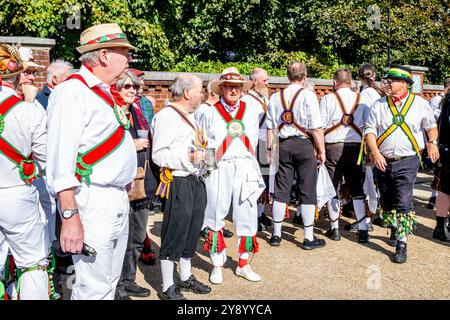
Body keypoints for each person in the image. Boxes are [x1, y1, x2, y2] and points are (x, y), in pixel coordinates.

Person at [46, 23, 137, 299]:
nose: (129, 60)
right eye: (125, 53)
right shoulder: (72, 92)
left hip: (115, 198)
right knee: (91, 288)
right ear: (105, 56)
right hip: (92, 200)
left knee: (108, 282)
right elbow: (60, 162)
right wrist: (71, 218)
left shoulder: (103, 92)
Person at [365, 64, 439, 263]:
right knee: (387, 200)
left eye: (392, 80)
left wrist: (432, 143)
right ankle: (394, 227)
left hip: (408, 160)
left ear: (405, 84)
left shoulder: (420, 104)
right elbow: (369, 131)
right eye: (387, 79)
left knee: (403, 200)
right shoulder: (379, 104)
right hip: (383, 160)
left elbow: (431, 127)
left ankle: (402, 242)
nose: (387, 83)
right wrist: (375, 153)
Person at [198, 67, 265, 285]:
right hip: (219, 167)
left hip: (245, 166)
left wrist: (259, 167)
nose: (233, 90)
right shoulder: (208, 111)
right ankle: (217, 264)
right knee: (215, 212)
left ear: (241, 89)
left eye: (237, 87)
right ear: (221, 89)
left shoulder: (252, 109)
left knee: (247, 213)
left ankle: (244, 264)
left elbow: (257, 141)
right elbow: (204, 142)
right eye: (229, 87)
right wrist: (207, 171)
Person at [152, 74, 211, 300]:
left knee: (192, 231)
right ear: (187, 92)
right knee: (175, 232)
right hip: (178, 180)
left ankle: (185, 278)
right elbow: (159, 154)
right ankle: (168, 286)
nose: (203, 94)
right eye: (200, 90)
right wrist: (189, 156)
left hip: (195, 179)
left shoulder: (191, 116)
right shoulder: (167, 116)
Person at [0, 43, 49, 299]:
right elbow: (46, 157)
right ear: (16, 74)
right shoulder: (28, 110)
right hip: (17, 194)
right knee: (32, 262)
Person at [265, 62, 326, 249]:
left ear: (287, 76)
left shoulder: (276, 97)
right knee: (307, 188)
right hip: (303, 145)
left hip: (283, 145)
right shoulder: (308, 95)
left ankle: (276, 235)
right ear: (305, 76)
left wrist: (269, 149)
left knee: (282, 188)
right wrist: (321, 150)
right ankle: (308, 237)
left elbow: (270, 126)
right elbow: (316, 127)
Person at [114, 71, 153, 299]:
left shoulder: (138, 113)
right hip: (120, 185)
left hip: (141, 183)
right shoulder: (112, 114)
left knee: (137, 237)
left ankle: (129, 280)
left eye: (135, 87)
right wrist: (131, 144)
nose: (132, 91)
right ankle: (117, 287)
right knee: (119, 239)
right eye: (126, 86)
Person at [320, 69, 370, 243]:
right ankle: (363, 230)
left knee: (332, 188)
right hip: (355, 148)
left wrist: (319, 150)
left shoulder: (327, 99)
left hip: (333, 147)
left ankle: (334, 230)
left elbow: (320, 126)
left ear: (335, 82)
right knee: (357, 188)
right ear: (350, 82)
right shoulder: (361, 99)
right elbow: (367, 126)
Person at [197, 80, 233, 239]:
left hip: (221, 159)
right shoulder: (206, 111)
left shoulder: (214, 110)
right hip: (211, 157)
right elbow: (203, 139)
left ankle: (216, 224)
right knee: (211, 195)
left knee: (220, 196)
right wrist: (209, 165)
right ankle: (206, 225)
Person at [241, 68, 272, 232]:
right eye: (265, 80)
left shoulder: (265, 98)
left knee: (266, 181)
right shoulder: (246, 100)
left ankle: (260, 213)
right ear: (254, 81)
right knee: (255, 180)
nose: (267, 83)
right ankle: (252, 215)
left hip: (266, 142)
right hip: (254, 144)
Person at [427, 78, 450, 210]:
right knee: (440, 173)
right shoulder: (441, 100)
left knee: (439, 172)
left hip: (440, 141)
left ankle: (433, 197)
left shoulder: (438, 100)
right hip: (441, 141)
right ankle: (433, 197)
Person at [433, 89, 450, 242]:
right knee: (445, 190)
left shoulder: (447, 99)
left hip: (446, 151)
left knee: (445, 189)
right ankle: (440, 227)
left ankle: (441, 227)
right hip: (448, 151)